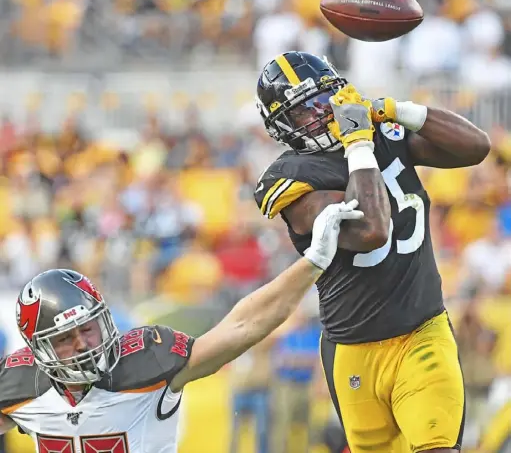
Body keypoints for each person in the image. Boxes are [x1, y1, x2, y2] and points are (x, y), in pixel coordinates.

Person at [254, 51, 492, 453]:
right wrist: (359, 145)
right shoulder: (289, 177)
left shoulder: (383, 133)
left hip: (422, 332)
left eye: (321, 99)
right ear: (282, 127)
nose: (318, 114)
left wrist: (397, 110)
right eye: (301, 112)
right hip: (353, 349)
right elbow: (371, 230)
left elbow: (475, 148)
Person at [0, 200, 363, 453]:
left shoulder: (145, 359)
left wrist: (313, 261)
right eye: (65, 338)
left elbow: (242, 325)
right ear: (38, 348)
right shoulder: (20, 381)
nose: (83, 345)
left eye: (88, 328)